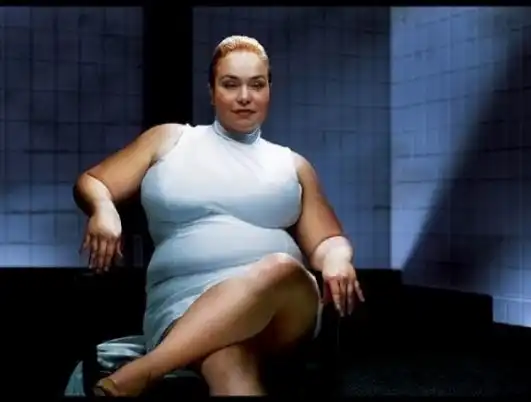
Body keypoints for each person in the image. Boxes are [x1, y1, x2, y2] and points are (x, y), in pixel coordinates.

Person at [74, 35, 364, 397]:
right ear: (211, 92)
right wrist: (103, 209)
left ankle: (145, 371)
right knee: (229, 363)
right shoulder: (170, 140)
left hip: (283, 306)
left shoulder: (292, 164)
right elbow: (94, 181)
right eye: (230, 84)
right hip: (184, 306)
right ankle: (159, 366)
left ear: (269, 91)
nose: (244, 96)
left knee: (280, 269)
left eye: (256, 85)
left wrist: (337, 258)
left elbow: (327, 240)